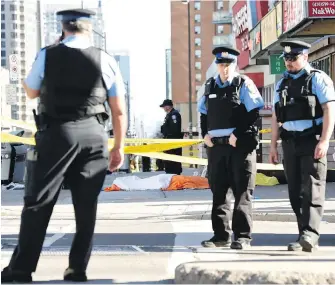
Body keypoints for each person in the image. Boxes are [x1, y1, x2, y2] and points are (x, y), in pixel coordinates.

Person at [1, 9, 127, 283]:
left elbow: (31, 91)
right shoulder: (105, 59)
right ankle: (77, 269)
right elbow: (118, 110)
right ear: (88, 29)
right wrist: (119, 146)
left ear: (64, 28)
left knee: (38, 202)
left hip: (57, 133)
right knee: (86, 206)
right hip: (94, 136)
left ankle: (21, 270)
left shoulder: (48, 54)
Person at [269, 40, 335, 252]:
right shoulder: (282, 83)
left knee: (312, 188)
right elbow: (275, 116)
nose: (289, 62)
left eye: (293, 58)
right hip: (289, 142)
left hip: (311, 141)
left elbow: (328, 110)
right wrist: (272, 145)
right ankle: (303, 234)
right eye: (286, 58)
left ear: (305, 57)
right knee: (295, 190)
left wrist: (324, 140)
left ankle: (310, 235)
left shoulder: (317, 78)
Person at [198, 46, 264, 250]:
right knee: (219, 192)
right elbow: (203, 114)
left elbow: (254, 113)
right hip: (217, 148)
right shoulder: (209, 86)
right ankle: (220, 235)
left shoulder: (243, 83)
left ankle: (243, 237)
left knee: (242, 191)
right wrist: (204, 135)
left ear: (234, 65)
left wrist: (238, 134)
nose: (224, 68)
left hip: (239, 146)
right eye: (221, 64)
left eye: (228, 64)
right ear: (216, 65)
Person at [160, 99, 183, 175]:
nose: (164, 108)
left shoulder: (174, 115)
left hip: (173, 143)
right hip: (169, 142)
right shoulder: (169, 115)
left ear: (168, 106)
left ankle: (175, 177)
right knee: (169, 162)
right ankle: (171, 175)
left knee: (173, 163)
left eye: (164, 106)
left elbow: (174, 130)